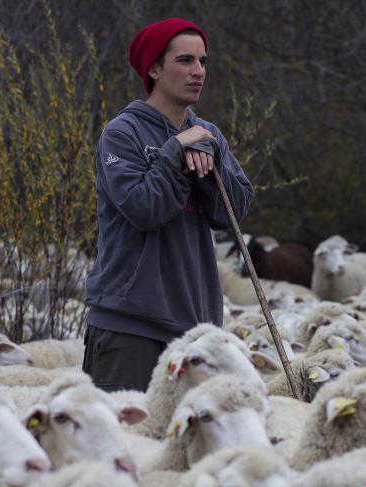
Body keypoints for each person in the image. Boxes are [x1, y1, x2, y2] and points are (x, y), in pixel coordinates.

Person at [82, 17, 253, 392]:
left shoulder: (209, 135)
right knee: (130, 430)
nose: (198, 71)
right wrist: (174, 151)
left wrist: (211, 162)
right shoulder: (122, 134)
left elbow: (234, 212)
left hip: (195, 330)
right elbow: (145, 209)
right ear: (154, 69)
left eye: (202, 61)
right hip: (130, 328)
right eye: (185, 60)